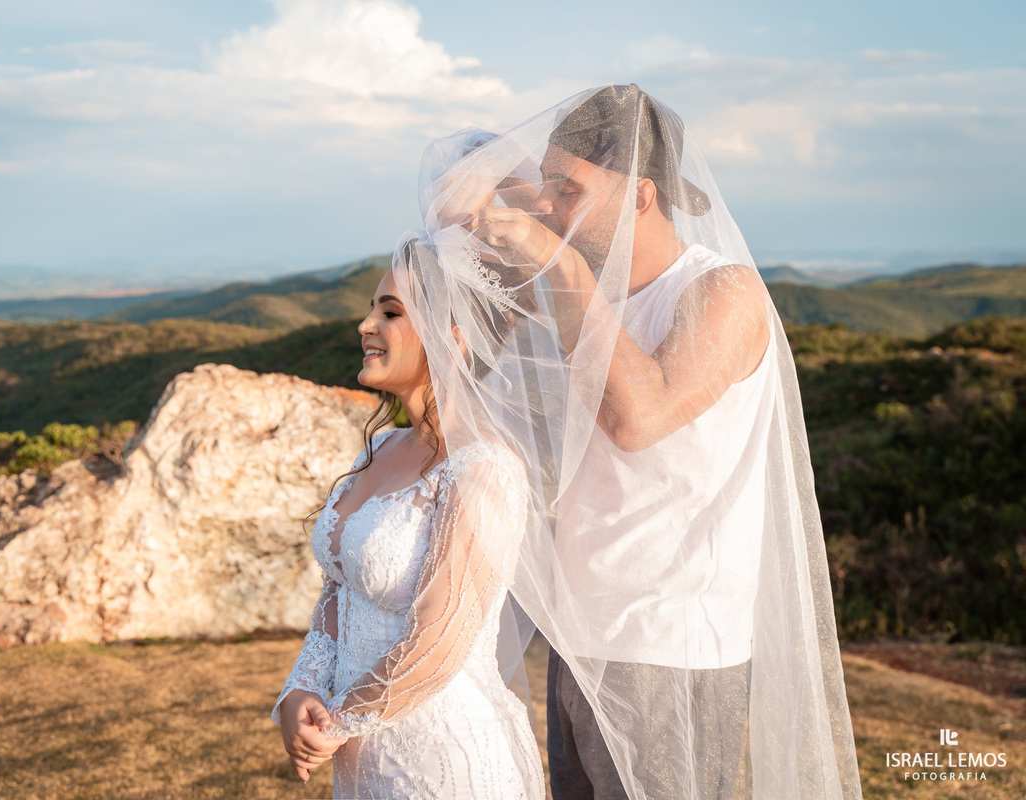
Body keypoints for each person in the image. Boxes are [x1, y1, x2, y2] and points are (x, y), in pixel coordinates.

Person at [409, 85, 863, 799]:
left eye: (570, 189)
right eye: (548, 186)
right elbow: (444, 220)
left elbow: (637, 418)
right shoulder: (586, 297)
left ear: (643, 195)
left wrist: (560, 267)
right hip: (577, 638)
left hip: (670, 645)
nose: (550, 206)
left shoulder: (722, 293)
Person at [272, 253, 545, 799]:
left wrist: (339, 722)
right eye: (373, 309)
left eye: (391, 312)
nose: (366, 325)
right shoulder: (380, 448)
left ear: (455, 338)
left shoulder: (483, 468)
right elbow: (339, 590)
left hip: (443, 759)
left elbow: (440, 638)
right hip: (362, 759)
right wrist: (299, 690)